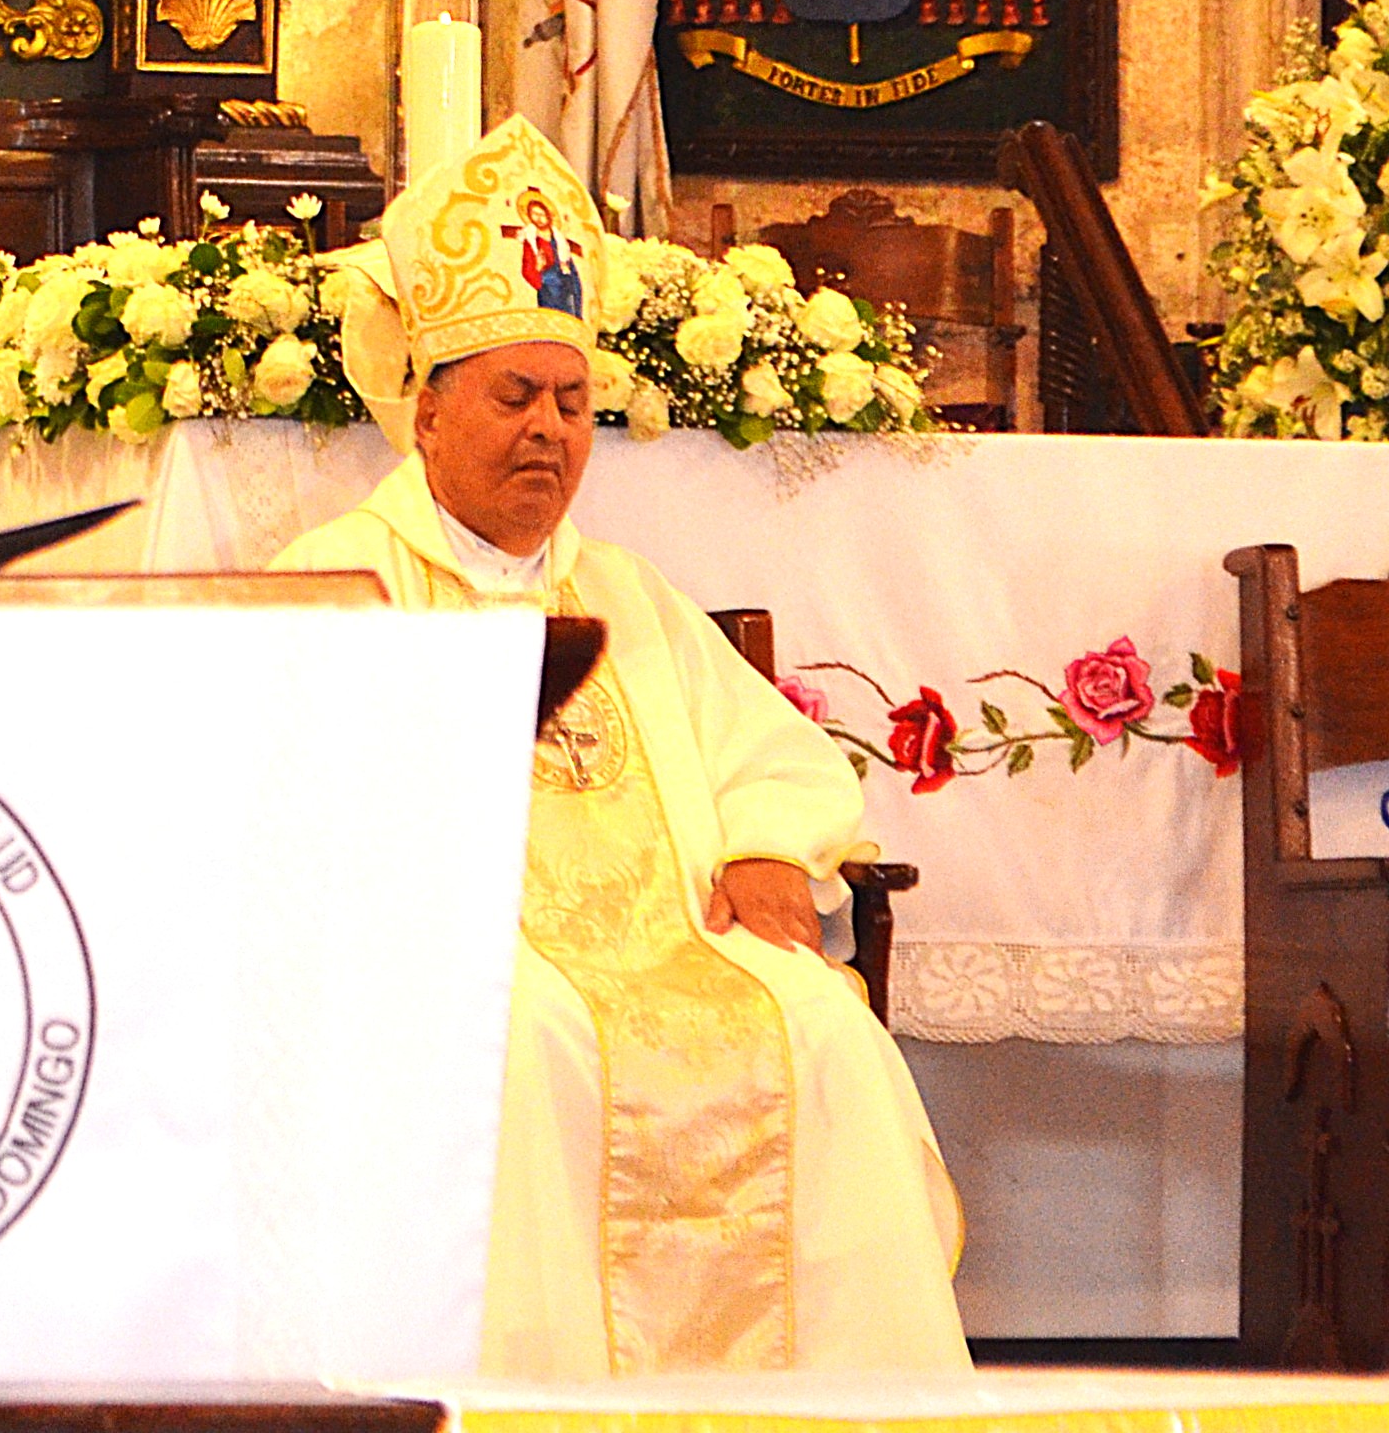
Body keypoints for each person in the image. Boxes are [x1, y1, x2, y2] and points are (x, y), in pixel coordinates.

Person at [275, 121, 970, 1380]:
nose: (548, 430)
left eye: (570, 402)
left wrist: (766, 852)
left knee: (817, 1027)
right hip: (468, 966)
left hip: (674, 946)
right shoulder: (337, 581)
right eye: (512, 398)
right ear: (424, 412)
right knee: (530, 1041)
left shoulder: (625, 595)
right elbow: (288, 812)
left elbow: (773, 757)